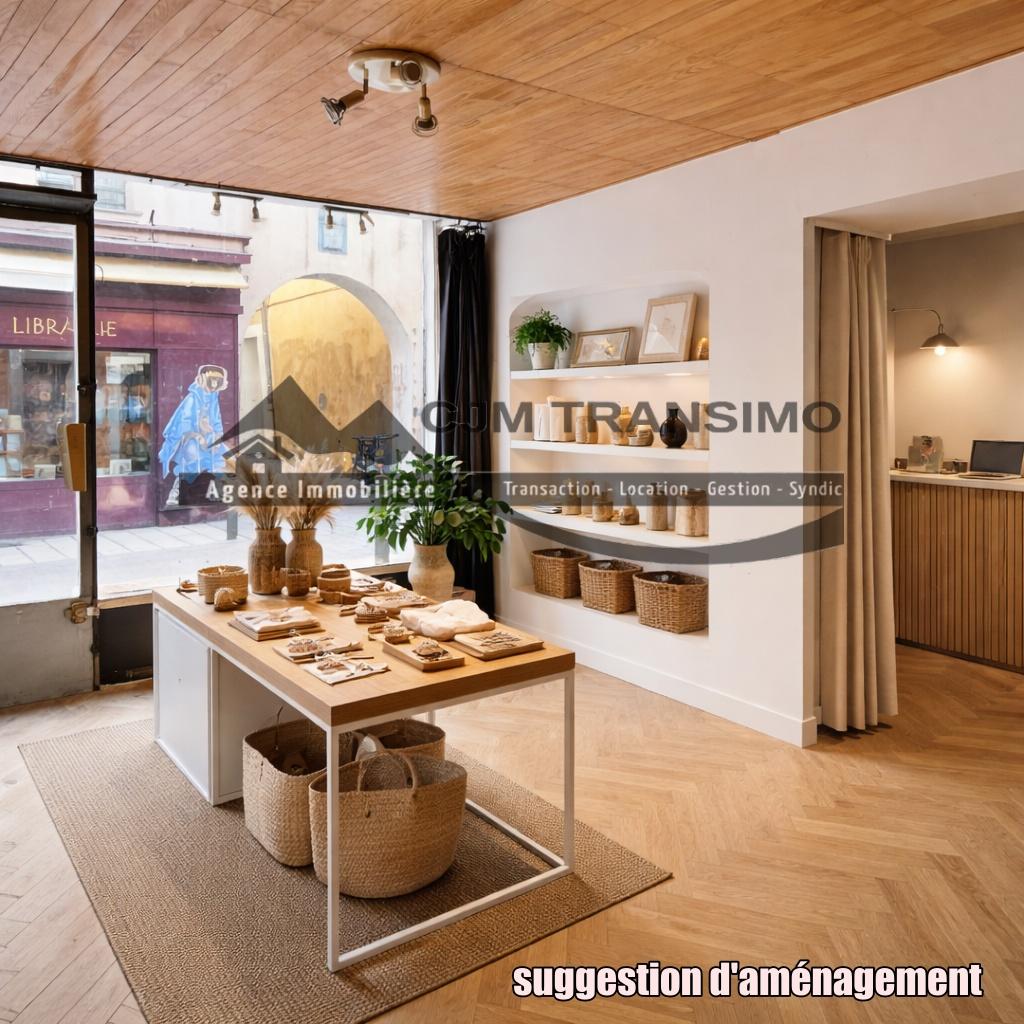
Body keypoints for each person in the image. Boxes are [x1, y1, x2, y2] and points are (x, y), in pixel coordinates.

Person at [159, 365, 229, 503]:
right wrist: (198, 437)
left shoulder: (213, 397)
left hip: (209, 438)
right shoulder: (192, 398)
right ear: (202, 378)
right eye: (211, 378)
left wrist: (217, 438)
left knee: (224, 457)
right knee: (192, 458)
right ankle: (176, 492)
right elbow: (184, 424)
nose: (214, 383)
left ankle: (219, 490)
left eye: (218, 380)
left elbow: (217, 421)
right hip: (190, 438)